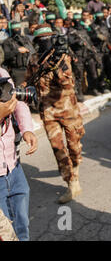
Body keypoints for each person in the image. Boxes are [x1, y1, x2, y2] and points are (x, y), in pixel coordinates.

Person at [25, 24, 85, 204]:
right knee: (58, 148)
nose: (45, 42)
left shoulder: (62, 56)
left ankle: (75, 166)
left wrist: (57, 66)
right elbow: (28, 81)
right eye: (41, 39)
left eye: (47, 38)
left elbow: (68, 84)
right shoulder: (34, 59)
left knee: (74, 146)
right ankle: (72, 183)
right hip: (48, 111)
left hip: (67, 109)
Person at [0, 68, 37, 241]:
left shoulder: (1, 73)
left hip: (13, 166)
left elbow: (18, 102)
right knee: (5, 232)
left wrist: (27, 129)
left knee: (22, 224)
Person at [2, 21, 35, 86]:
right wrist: (17, 51)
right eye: (15, 29)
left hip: (29, 69)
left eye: (18, 28)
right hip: (17, 71)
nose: (17, 30)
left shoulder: (26, 39)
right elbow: (5, 56)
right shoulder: (7, 42)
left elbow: (33, 52)